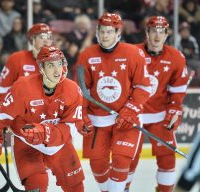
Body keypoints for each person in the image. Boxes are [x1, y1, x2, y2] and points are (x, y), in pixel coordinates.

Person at [0, 46, 87, 191]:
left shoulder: (73, 90)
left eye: (59, 64)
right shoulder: (23, 87)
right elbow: (2, 114)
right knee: (37, 185)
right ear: (41, 68)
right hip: (27, 143)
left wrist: (45, 132)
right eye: (51, 65)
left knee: (76, 186)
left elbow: (71, 127)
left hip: (59, 145)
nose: (57, 71)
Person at [75, 12, 151, 192]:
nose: (104, 35)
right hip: (97, 121)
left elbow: (143, 87)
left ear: (118, 33)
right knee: (98, 164)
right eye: (102, 31)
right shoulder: (86, 55)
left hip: (126, 119)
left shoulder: (134, 53)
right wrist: (82, 116)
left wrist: (130, 109)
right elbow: (81, 92)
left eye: (109, 32)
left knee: (121, 158)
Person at [126, 16, 189, 192]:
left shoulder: (176, 57)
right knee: (127, 157)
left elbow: (178, 88)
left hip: (159, 115)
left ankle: (165, 190)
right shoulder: (132, 53)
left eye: (161, 32)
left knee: (167, 156)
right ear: (147, 33)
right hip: (134, 113)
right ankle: (122, 188)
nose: (157, 36)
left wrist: (175, 108)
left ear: (167, 34)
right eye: (153, 31)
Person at [0, 23, 53, 103]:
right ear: (32, 39)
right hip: (20, 111)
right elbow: (2, 90)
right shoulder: (17, 58)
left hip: (45, 113)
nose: (46, 40)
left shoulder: (57, 62)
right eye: (42, 36)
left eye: (49, 37)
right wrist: (5, 112)